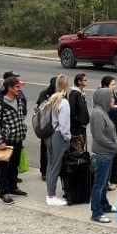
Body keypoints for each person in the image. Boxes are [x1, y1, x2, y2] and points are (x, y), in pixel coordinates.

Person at [0, 76, 28, 205]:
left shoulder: (18, 100)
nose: (19, 89)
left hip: (18, 139)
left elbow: (21, 117)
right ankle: (3, 192)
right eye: (17, 87)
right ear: (9, 88)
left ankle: (13, 187)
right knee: (3, 168)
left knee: (14, 166)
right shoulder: (0, 103)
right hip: (6, 141)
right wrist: (0, 141)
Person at [89, 87, 117, 223]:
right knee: (99, 185)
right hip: (102, 155)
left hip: (107, 155)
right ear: (104, 99)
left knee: (103, 183)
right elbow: (99, 136)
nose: (113, 99)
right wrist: (114, 146)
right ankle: (96, 212)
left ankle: (104, 205)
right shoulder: (97, 114)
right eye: (111, 97)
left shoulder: (103, 112)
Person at [45, 74, 70, 206]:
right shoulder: (63, 102)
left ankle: (49, 192)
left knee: (50, 165)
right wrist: (68, 138)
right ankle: (51, 195)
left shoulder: (52, 99)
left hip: (50, 134)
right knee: (55, 166)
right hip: (59, 136)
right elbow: (64, 125)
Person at [100, 75, 117, 191]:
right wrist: (115, 107)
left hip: (116, 130)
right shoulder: (100, 96)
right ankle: (103, 179)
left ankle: (113, 180)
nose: (114, 86)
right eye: (112, 84)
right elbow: (105, 110)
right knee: (104, 155)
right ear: (105, 86)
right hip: (105, 130)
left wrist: (114, 108)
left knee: (114, 154)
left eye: (115, 84)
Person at [36, 76, 57, 181]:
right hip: (45, 126)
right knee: (45, 149)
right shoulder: (44, 94)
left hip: (55, 126)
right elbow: (41, 108)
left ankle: (52, 169)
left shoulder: (60, 94)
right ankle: (44, 171)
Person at [69, 73, 90, 154]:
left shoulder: (81, 93)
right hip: (76, 130)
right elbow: (72, 112)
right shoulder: (74, 94)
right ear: (79, 82)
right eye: (85, 80)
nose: (87, 81)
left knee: (81, 150)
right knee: (77, 152)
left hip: (82, 129)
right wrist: (80, 123)